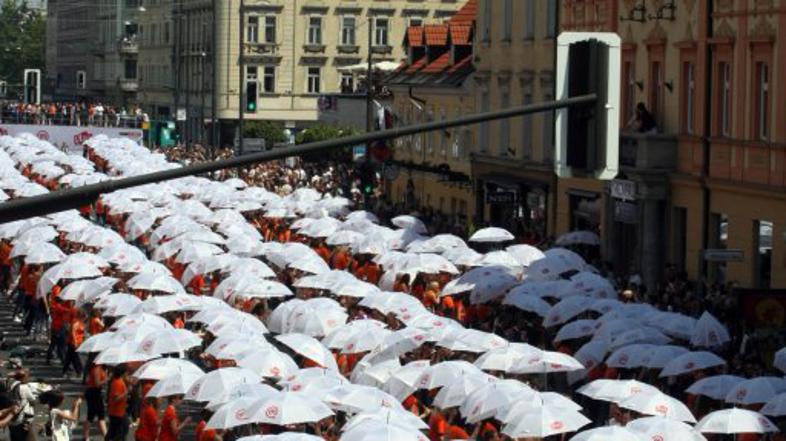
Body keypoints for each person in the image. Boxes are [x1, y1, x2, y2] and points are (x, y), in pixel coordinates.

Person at [8, 369, 37, 441]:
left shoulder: (12, 384)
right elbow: (33, 401)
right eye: (27, 377)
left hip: (11, 418)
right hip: (23, 420)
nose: (28, 378)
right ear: (23, 378)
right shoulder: (24, 387)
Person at [84, 362, 108, 440]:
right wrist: (107, 379)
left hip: (95, 393)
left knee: (99, 415)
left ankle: (87, 436)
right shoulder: (97, 369)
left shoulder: (101, 368)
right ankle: (86, 436)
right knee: (93, 415)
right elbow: (97, 384)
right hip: (93, 393)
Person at [106, 365, 130, 441]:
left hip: (118, 412)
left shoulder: (117, 381)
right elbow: (116, 399)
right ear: (123, 373)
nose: (127, 374)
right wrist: (126, 393)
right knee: (119, 432)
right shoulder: (118, 383)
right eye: (126, 373)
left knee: (115, 432)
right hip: (117, 413)